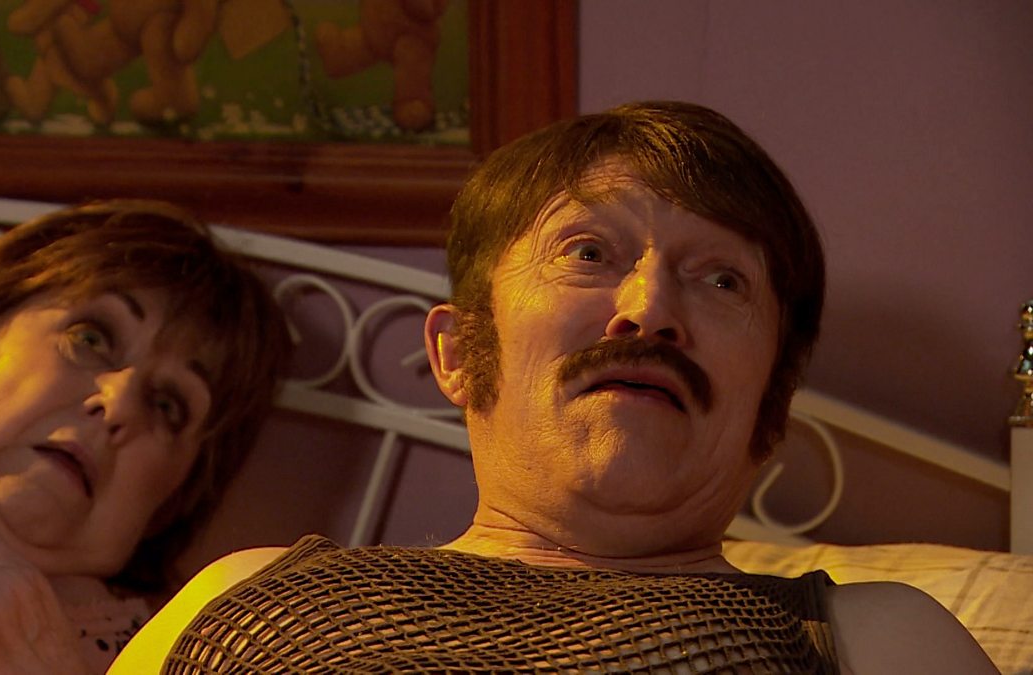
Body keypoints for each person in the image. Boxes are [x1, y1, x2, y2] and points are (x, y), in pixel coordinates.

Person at [110, 101, 1000, 674]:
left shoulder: (878, 641)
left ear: (770, 413)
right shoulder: (243, 597)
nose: (648, 309)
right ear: (458, 352)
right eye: (588, 253)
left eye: (722, 279)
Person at [0, 200, 291, 673]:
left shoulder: (175, 653)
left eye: (167, 405)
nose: (118, 403)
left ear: (173, 502)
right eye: (90, 339)